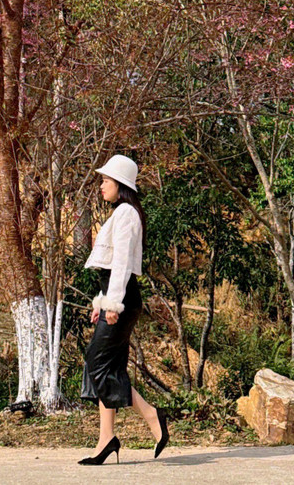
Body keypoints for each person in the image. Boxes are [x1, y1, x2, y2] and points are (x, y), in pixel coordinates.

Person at [78, 154, 170, 466]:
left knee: (97, 362)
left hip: (124, 299)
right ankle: (107, 439)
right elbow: (111, 269)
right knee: (108, 366)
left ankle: (150, 414)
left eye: (106, 180)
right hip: (117, 296)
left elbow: (121, 266)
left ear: (121, 184)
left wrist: (113, 305)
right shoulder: (121, 213)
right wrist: (101, 302)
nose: (101, 185)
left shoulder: (127, 213)